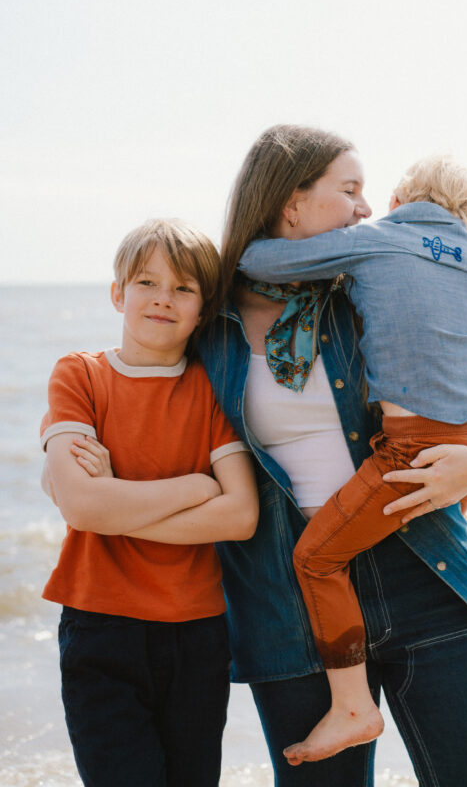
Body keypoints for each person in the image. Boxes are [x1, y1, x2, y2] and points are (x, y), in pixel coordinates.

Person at [198, 125, 467, 787]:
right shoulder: (208, 325)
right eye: (349, 191)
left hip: (429, 575)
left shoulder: (367, 288)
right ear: (290, 205)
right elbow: (146, 401)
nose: (365, 209)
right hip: (292, 609)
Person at [40, 219, 259, 787]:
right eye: (147, 282)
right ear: (118, 293)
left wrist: (120, 502)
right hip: (100, 626)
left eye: (184, 288)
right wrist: (193, 488)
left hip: (198, 633)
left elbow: (240, 516)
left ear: (204, 307)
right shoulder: (79, 376)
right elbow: (83, 507)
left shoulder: (213, 389)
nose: (164, 298)